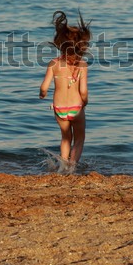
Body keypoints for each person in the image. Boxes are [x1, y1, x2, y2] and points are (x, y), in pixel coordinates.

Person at [39, 10, 91, 168]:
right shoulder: (82, 65)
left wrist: (42, 94)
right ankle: (72, 166)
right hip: (76, 108)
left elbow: (44, 87)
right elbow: (83, 91)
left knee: (65, 138)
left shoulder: (53, 63)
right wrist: (85, 102)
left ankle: (63, 166)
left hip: (59, 108)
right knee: (79, 138)